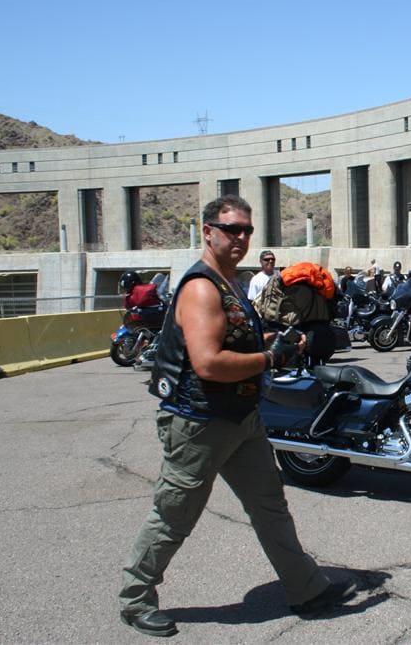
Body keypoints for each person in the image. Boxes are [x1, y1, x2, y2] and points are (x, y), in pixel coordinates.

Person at [119, 196, 356, 637]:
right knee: (173, 515)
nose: (241, 238)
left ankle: (306, 588)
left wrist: (289, 342)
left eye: (247, 230)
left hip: (240, 416)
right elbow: (208, 362)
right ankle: (135, 599)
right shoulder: (202, 287)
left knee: (270, 507)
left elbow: (239, 340)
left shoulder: (231, 283)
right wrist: (269, 358)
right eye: (231, 229)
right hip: (198, 421)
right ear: (208, 231)